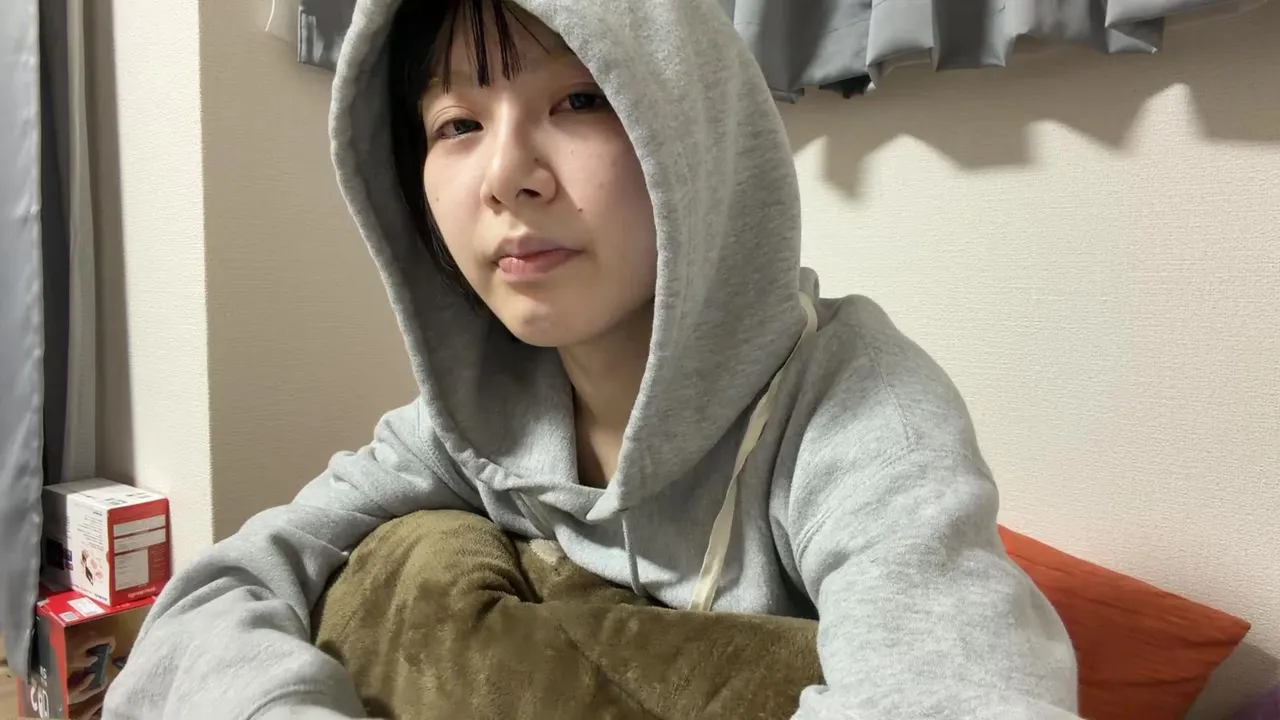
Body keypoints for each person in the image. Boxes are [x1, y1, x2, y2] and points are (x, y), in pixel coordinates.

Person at [105, 0, 1080, 717]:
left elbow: (961, 688)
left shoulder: (857, 409)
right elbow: (211, 600)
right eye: (457, 124)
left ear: (695, 135)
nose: (504, 177)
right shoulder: (467, 427)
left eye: (577, 99)